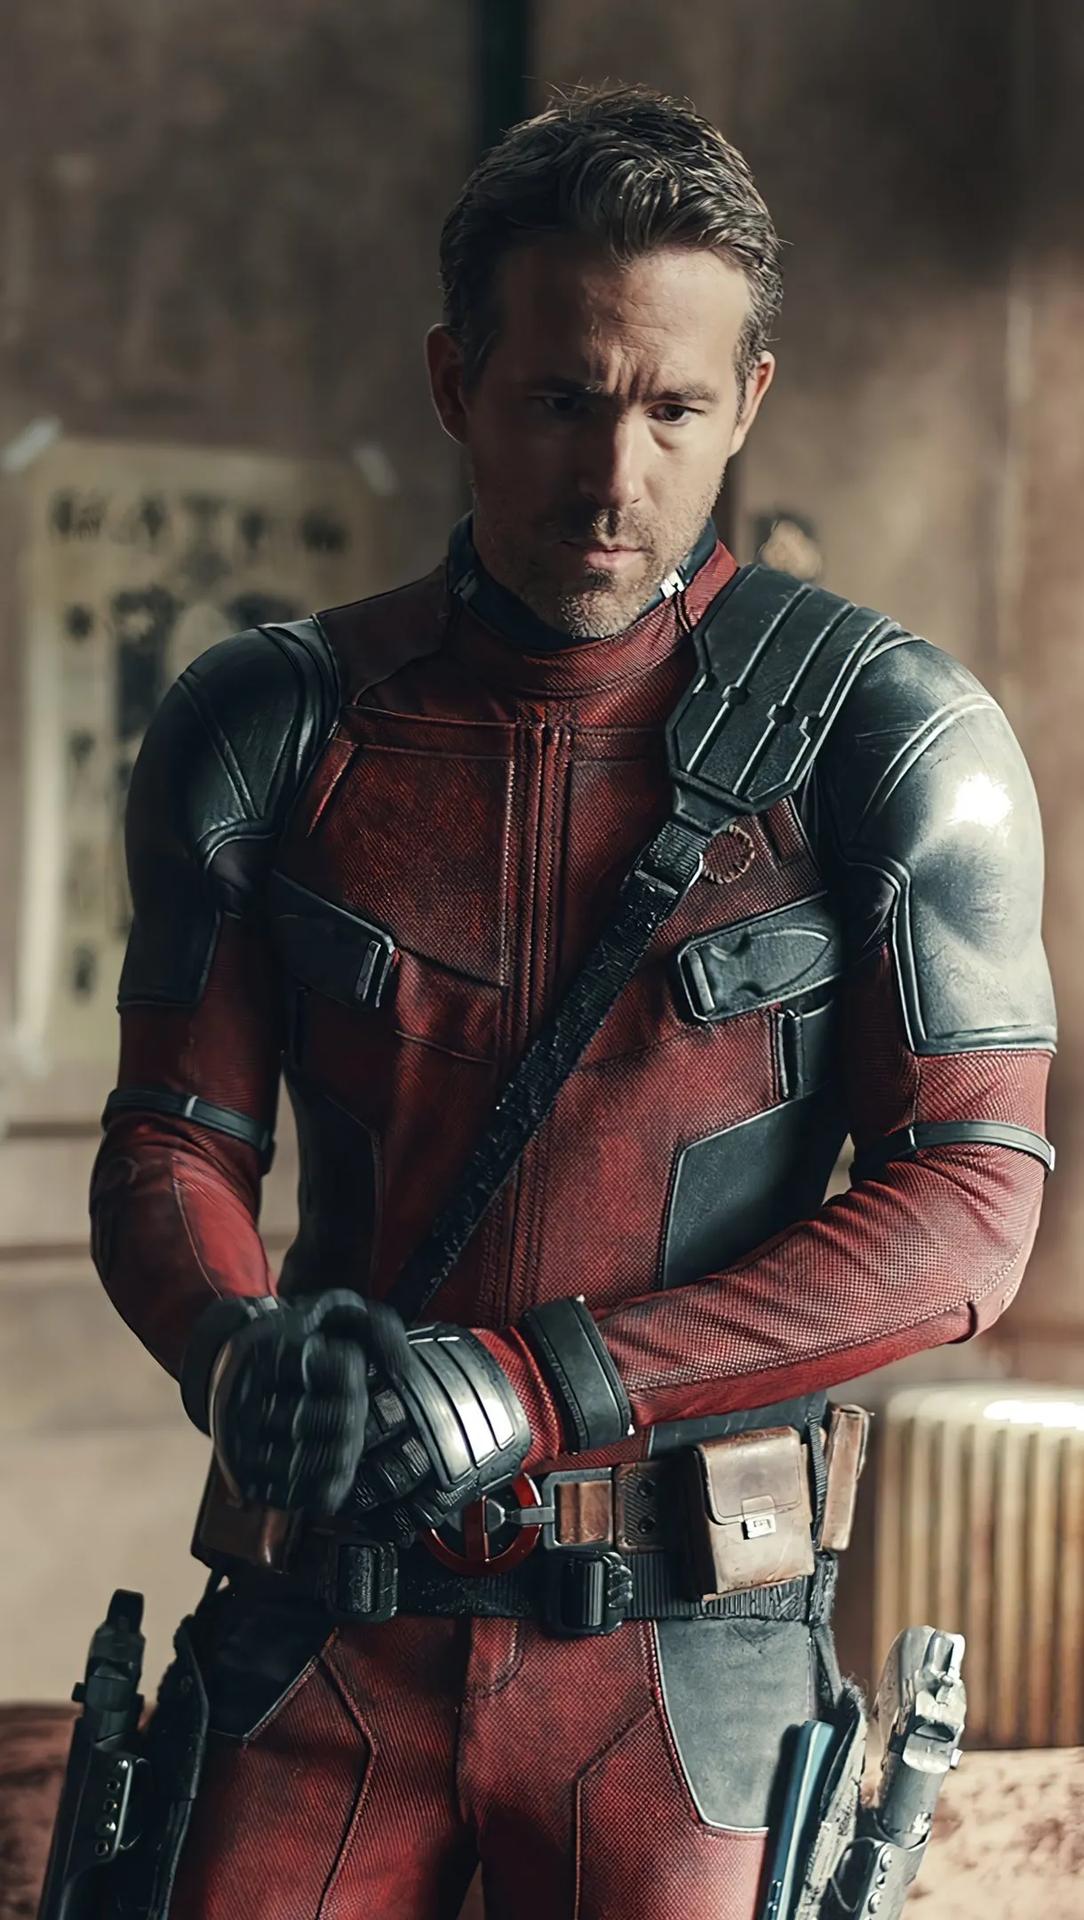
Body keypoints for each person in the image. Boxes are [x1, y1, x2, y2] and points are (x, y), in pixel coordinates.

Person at [89, 84, 1056, 1920]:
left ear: (749, 400)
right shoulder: (272, 721)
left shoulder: (894, 738)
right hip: (323, 1632)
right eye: (561, 401)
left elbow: (973, 1207)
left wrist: (539, 1389)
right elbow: (171, 1141)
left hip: (685, 1660)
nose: (616, 479)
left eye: (674, 410)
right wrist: (234, 1348)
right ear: (454, 381)